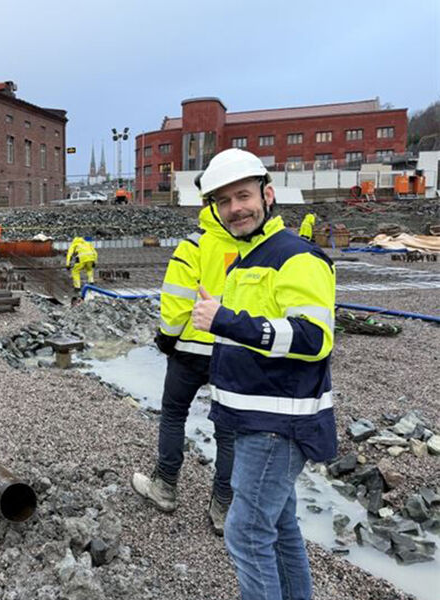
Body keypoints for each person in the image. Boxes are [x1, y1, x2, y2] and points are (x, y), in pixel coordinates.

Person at [190, 148, 336, 600]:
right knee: (280, 524)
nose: (235, 208)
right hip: (254, 419)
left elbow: (313, 337)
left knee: (247, 532)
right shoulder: (248, 259)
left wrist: (225, 320)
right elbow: (258, 331)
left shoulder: (296, 257)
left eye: (243, 196)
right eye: (224, 201)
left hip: (278, 424)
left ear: (267, 196)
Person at [131, 204, 238, 535]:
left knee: (174, 414)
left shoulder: (194, 245)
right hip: (232, 351)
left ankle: (165, 487)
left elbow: (176, 299)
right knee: (229, 431)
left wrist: (167, 337)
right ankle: (223, 506)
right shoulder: (250, 246)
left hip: (190, 350)